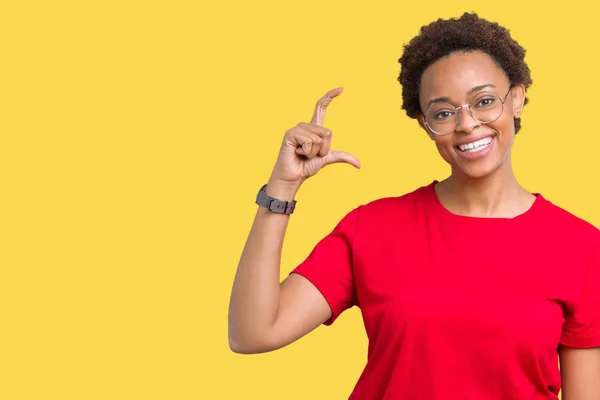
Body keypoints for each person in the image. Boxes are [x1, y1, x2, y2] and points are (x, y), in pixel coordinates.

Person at [228, 12, 600, 400]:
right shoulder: (371, 228)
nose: (467, 124)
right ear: (426, 125)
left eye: (484, 101)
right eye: (443, 112)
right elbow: (253, 333)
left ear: (517, 98)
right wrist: (283, 186)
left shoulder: (583, 247)